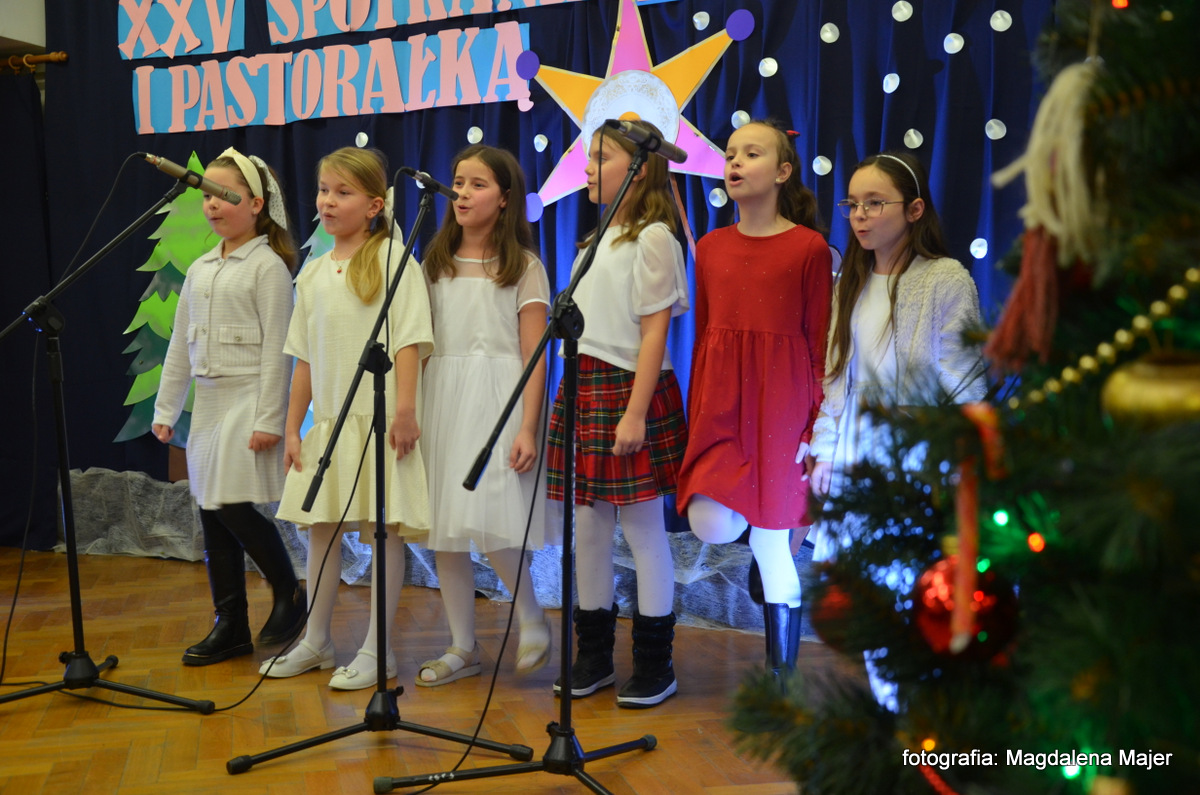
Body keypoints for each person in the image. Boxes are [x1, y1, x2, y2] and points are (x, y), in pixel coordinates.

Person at [808, 152, 986, 709]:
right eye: (853, 204)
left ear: (913, 210)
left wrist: (947, 456)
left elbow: (965, 380)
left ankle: (924, 713)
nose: (860, 215)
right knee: (869, 592)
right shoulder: (850, 280)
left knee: (913, 584)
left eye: (875, 203)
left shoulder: (944, 279)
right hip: (858, 448)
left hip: (914, 451)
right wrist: (825, 450)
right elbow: (837, 375)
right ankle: (895, 711)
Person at [258, 146, 434, 691]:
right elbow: (304, 358)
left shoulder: (394, 261)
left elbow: (409, 341)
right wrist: (294, 427)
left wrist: (405, 412)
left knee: (384, 532)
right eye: (323, 190)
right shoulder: (311, 274)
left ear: (375, 205)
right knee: (322, 528)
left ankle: (379, 651)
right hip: (331, 422)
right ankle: (316, 639)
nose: (327, 201)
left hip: (381, 420)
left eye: (343, 192)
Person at [676, 120, 833, 681]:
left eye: (752, 153)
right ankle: (771, 531)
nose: (735, 162)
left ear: (783, 171)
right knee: (709, 521)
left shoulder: (809, 248)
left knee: (769, 539)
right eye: (730, 154)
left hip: (782, 408)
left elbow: (818, 344)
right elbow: (705, 337)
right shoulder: (710, 248)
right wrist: (700, 411)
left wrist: (817, 426)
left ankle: (780, 678)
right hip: (722, 404)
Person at [546, 121, 690, 709]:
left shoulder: (653, 237)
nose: (587, 168)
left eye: (600, 158)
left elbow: (655, 333)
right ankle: (595, 655)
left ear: (639, 168)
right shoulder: (594, 241)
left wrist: (635, 414)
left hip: (627, 388)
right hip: (584, 387)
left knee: (643, 530)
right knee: (589, 528)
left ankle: (656, 663)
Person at [153, 148, 305, 666]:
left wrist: (269, 420)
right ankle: (231, 623)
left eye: (224, 195)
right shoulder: (200, 270)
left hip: (247, 400)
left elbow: (278, 351)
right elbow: (180, 346)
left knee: (232, 504)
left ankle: (288, 592)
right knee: (210, 510)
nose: (212, 204)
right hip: (210, 405)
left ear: (257, 204)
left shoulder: (267, 268)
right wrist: (167, 409)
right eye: (206, 196)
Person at [416, 145, 553, 686]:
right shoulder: (434, 262)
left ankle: (531, 615)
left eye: (477, 184)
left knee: (492, 516)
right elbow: (420, 342)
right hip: (442, 398)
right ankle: (462, 646)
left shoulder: (524, 268)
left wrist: (528, 427)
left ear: (504, 198)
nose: (463, 193)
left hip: (499, 400)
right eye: (458, 182)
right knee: (445, 528)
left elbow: (534, 355)